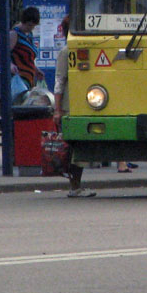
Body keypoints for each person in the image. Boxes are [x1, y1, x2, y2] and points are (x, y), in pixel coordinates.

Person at [53, 16, 95, 197]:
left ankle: (76, 185)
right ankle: (75, 186)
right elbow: (59, 82)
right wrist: (57, 109)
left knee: (78, 148)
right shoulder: (66, 52)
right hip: (69, 106)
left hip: (82, 104)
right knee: (74, 148)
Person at [10, 6, 44, 97]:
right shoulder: (14, 35)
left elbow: (27, 58)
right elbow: (2, 55)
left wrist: (36, 69)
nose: (31, 28)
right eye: (29, 25)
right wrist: (10, 65)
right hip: (19, 79)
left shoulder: (28, 36)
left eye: (33, 26)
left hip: (29, 80)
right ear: (23, 22)